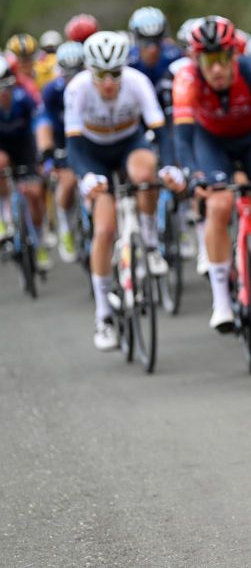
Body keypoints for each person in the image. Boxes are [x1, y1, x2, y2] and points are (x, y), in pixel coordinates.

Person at [173, 16, 251, 328]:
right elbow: (183, 138)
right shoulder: (186, 79)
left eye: (223, 59)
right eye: (208, 60)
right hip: (211, 142)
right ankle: (222, 301)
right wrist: (193, 174)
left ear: (235, 56)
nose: (216, 69)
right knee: (218, 205)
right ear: (197, 59)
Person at [64, 31, 181, 350]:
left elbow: (161, 130)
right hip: (92, 151)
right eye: (100, 75)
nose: (108, 82)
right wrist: (86, 176)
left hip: (129, 142)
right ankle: (103, 315)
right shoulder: (77, 89)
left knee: (145, 172)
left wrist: (169, 165)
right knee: (104, 229)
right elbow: (73, 145)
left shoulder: (137, 81)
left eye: (114, 73)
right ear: (90, 71)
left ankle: (151, 243)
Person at [0, 58, 51, 272]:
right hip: (2, 147)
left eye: (5, 85)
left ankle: (39, 241)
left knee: (35, 194)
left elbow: (40, 123)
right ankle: (5, 217)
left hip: (24, 147)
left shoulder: (24, 98)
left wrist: (43, 153)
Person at [40, 41, 87, 262]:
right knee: (67, 183)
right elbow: (44, 122)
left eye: (77, 71)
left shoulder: (91, 85)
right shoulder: (52, 91)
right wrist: (48, 151)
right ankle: (65, 227)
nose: (73, 78)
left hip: (88, 138)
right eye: (68, 73)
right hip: (62, 140)